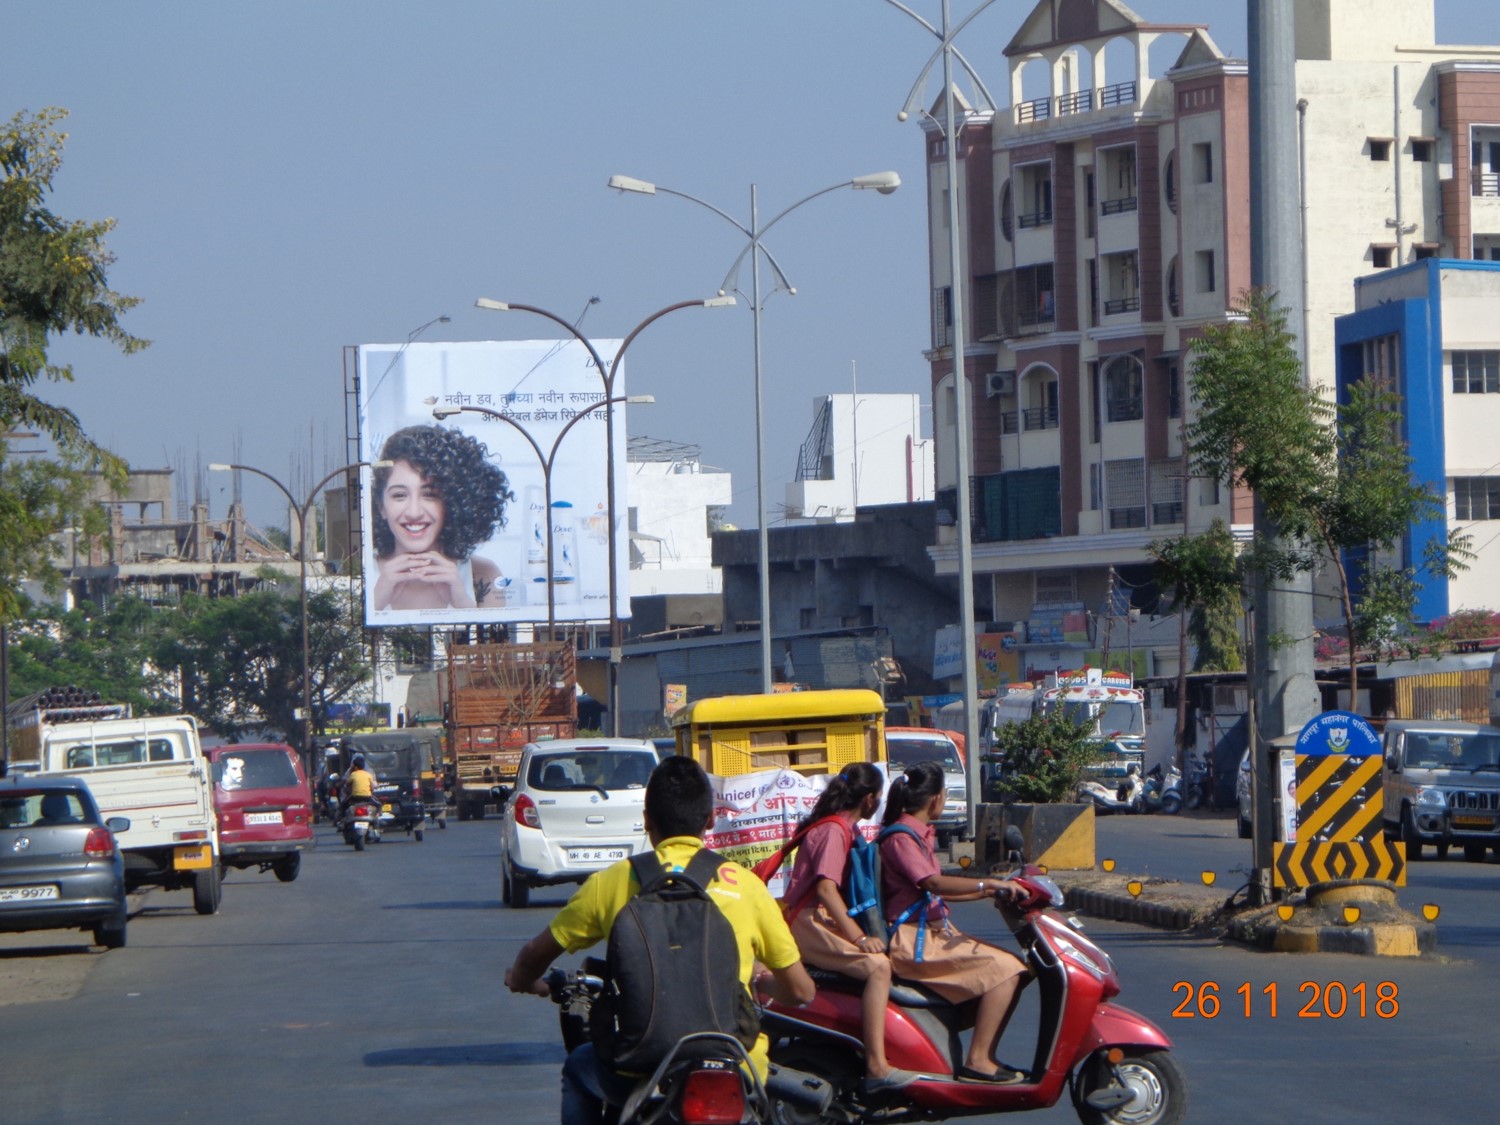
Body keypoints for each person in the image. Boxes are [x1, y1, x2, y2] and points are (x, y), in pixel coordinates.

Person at [504, 755, 816, 1125]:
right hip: (736, 1065)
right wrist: (761, 980)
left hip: (639, 1069)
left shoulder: (612, 882)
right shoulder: (747, 887)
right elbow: (800, 991)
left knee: (577, 1068)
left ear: (646, 819)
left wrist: (524, 981)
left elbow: (535, 952)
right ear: (710, 820)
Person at [879, 761, 1029, 1083]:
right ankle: (978, 1060)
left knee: (1017, 965)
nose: (944, 799)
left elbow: (935, 893)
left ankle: (978, 1051)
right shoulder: (901, 838)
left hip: (931, 934)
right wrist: (986, 884)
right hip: (913, 942)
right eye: (944, 794)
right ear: (935, 799)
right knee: (1007, 971)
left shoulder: (919, 835)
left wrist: (988, 892)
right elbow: (932, 884)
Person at [779, 762, 913, 1095]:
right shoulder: (836, 830)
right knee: (879, 967)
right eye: (878, 797)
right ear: (868, 798)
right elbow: (825, 889)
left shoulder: (839, 827)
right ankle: (876, 1066)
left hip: (814, 918)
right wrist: (858, 937)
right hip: (807, 922)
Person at [371, 424, 515, 612]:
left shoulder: (483, 574)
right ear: (381, 506)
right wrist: (374, 604)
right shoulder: (362, 576)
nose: (414, 512)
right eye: (399, 495)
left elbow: (495, 641)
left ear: (452, 503)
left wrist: (463, 603)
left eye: (429, 494)